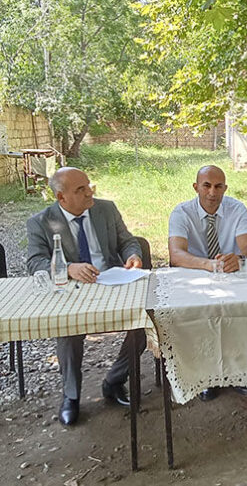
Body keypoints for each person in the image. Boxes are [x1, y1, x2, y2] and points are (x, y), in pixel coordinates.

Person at [26, 167, 145, 426]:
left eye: (89, 185)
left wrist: (133, 256)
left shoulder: (106, 209)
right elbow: (35, 262)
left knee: (144, 324)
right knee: (68, 331)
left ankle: (114, 381)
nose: (89, 192)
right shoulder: (40, 222)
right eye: (80, 190)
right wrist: (68, 268)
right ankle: (71, 396)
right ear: (61, 197)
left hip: (112, 281)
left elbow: (127, 241)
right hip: (72, 289)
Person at [168, 165, 247, 400]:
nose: (212, 192)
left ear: (225, 188)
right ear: (196, 187)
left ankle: (238, 371)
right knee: (201, 318)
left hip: (230, 275)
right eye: (206, 186)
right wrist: (208, 265)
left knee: (243, 312)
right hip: (194, 275)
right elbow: (176, 255)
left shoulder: (237, 209)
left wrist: (239, 259)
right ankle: (207, 376)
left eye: (218, 186)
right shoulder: (181, 213)